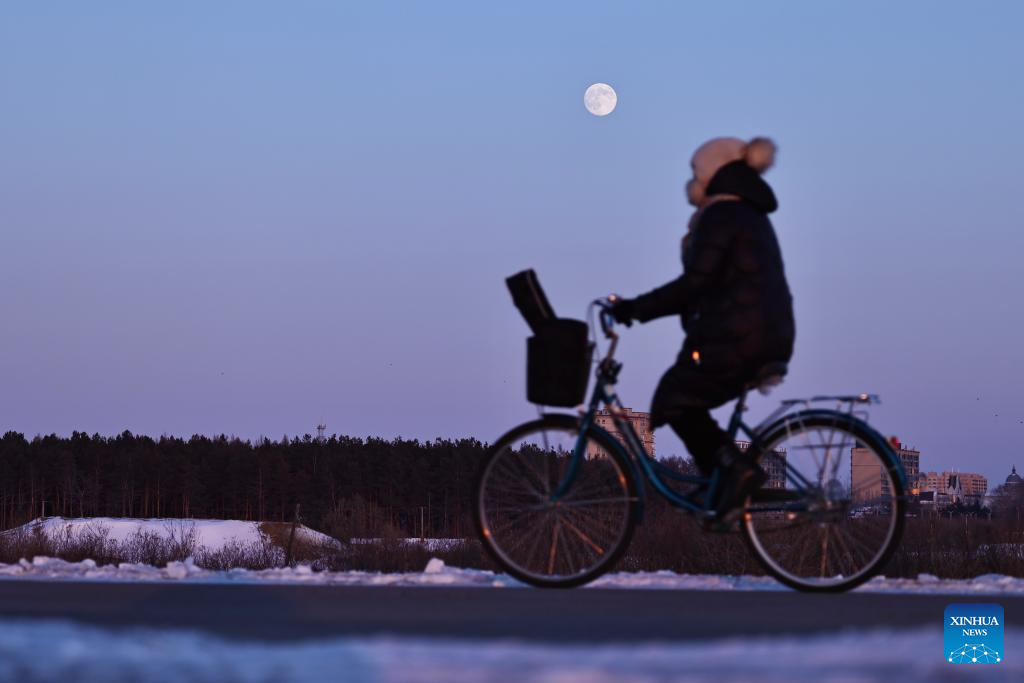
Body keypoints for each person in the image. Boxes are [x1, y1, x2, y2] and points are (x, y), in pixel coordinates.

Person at [610, 136, 795, 520]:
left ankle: (735, 473)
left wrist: (635, 309)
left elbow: (696, 283)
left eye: (696, 174)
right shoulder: (748, 213)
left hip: (742, 337)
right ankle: (722, 486)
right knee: (685, 395)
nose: (692, 184)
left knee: (676, 396)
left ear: (713, 174)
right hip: (761, 333)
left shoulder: (723, 214)